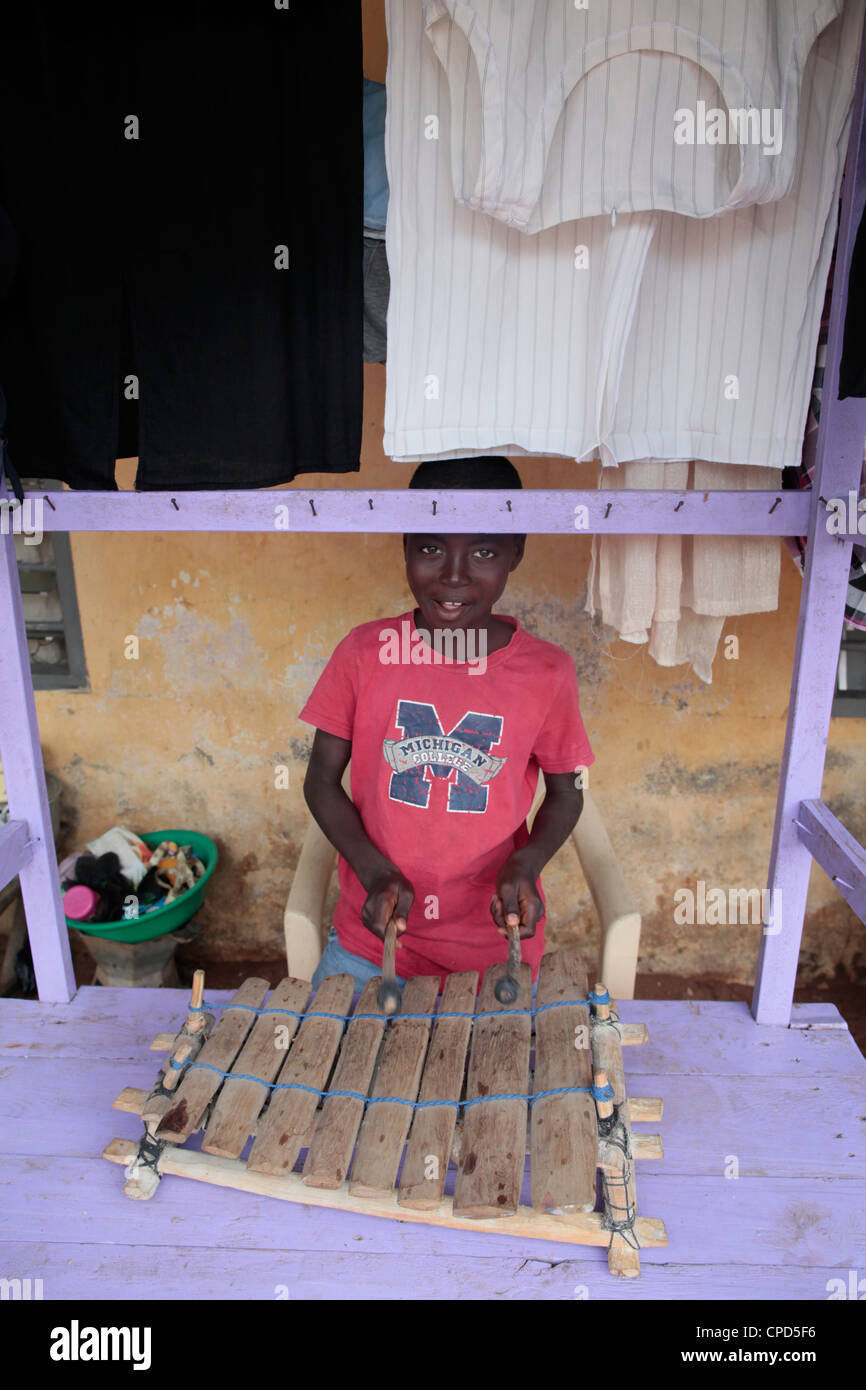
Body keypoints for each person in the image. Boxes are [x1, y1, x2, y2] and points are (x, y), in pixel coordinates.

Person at [300, 456, 594, 990]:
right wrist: (373, 870)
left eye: (483, 552)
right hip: (373, 942)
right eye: (431, 548)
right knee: (324, 1067)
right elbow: (320, 782)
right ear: (406, 546)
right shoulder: (365, 654)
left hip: (492, 947)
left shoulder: (547, 672)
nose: (454, 575)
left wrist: (527, 863)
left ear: (516, 553)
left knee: (489, 1072)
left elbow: (567, 792)